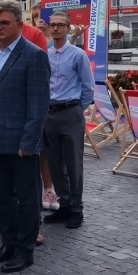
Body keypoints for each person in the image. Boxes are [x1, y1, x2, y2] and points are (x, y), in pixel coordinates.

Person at [0, 0, 50, 273]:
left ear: (19, 24)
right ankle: (8, 243)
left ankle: (25, 250)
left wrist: (29, 141)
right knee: (2, 198)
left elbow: (39, 104)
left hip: (20, 144)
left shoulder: (34, 55)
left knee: (27, 200)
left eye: (4, 23)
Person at [42, 12, 94, 229]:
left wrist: (77, 109)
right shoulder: (45, 54)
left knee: (73, 163)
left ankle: (76, 208)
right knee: (54, 163)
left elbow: (88, 87)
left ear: (68, 28)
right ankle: (63, 204)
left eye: (60, 25)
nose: (55, 29)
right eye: (52, 25)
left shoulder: (77, 55)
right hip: (50, 113)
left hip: (71, 111)